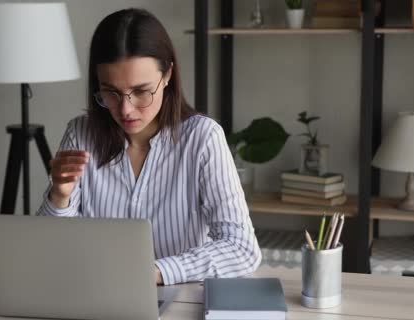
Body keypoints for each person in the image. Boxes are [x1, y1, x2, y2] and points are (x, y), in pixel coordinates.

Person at [37, 8, 261, 285]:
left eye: (141, 91)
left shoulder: (202, 139)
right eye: (111, 92)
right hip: (95, 298)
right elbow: (50, 250)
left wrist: (155, 273)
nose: (125, 109)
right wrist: (60, 197)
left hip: (179, 301)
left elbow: (241, 249)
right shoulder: (80, 133)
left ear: (167, 75)